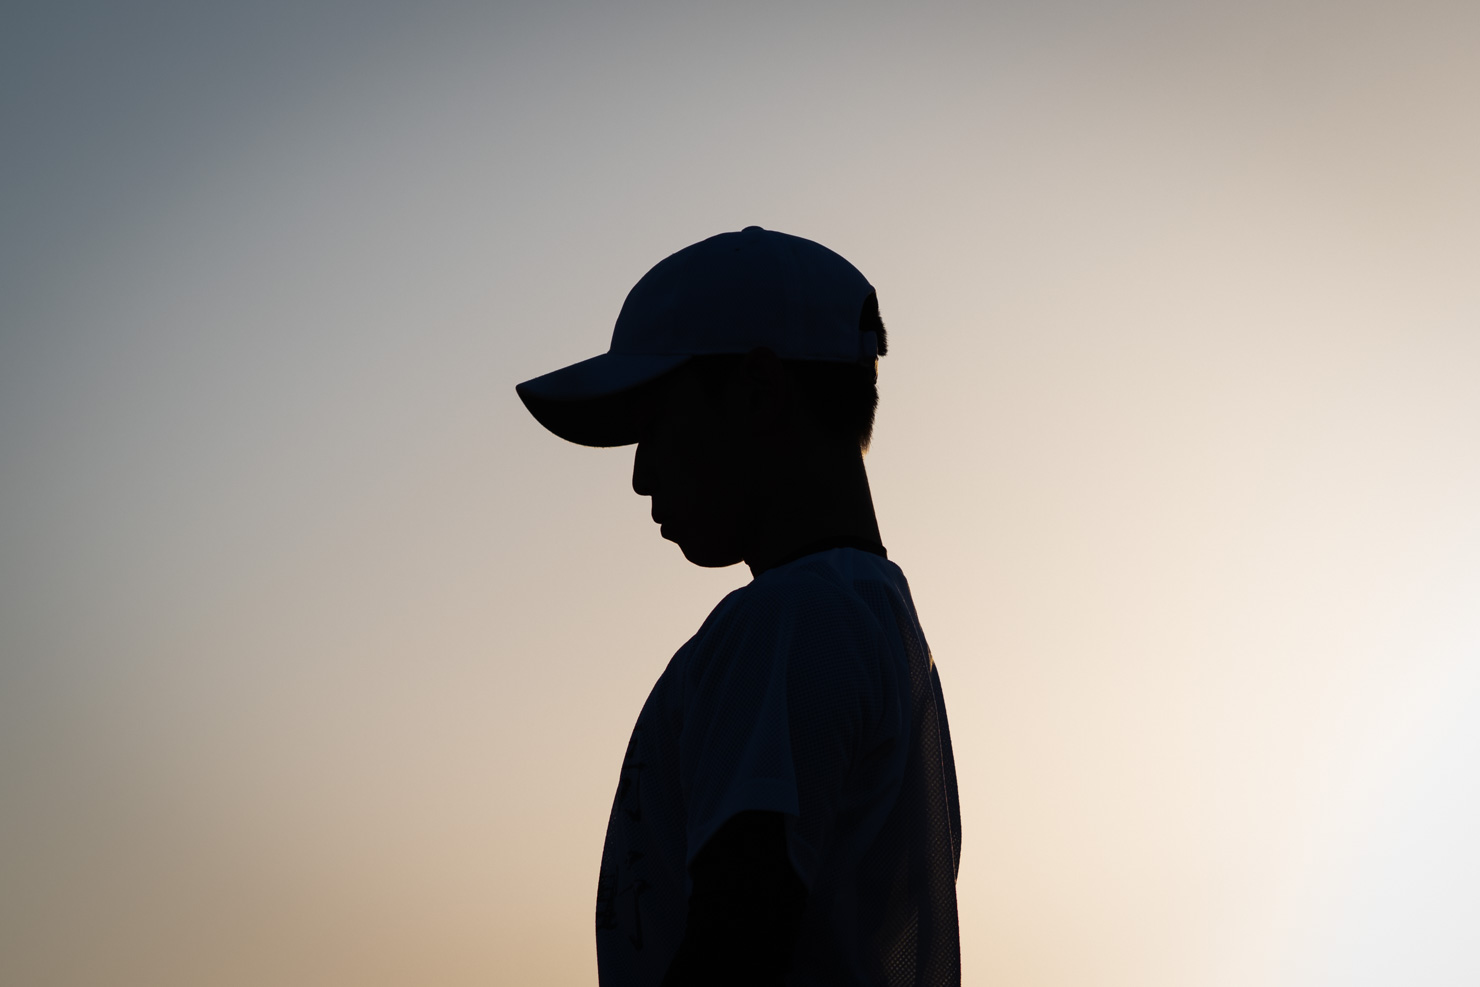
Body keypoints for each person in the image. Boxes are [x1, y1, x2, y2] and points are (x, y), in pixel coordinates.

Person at [516, 227, 962, 986]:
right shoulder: (881, 622)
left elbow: (738, 942)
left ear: (758, 390)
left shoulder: (788, 622)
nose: (640, 475)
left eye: (653, 425)